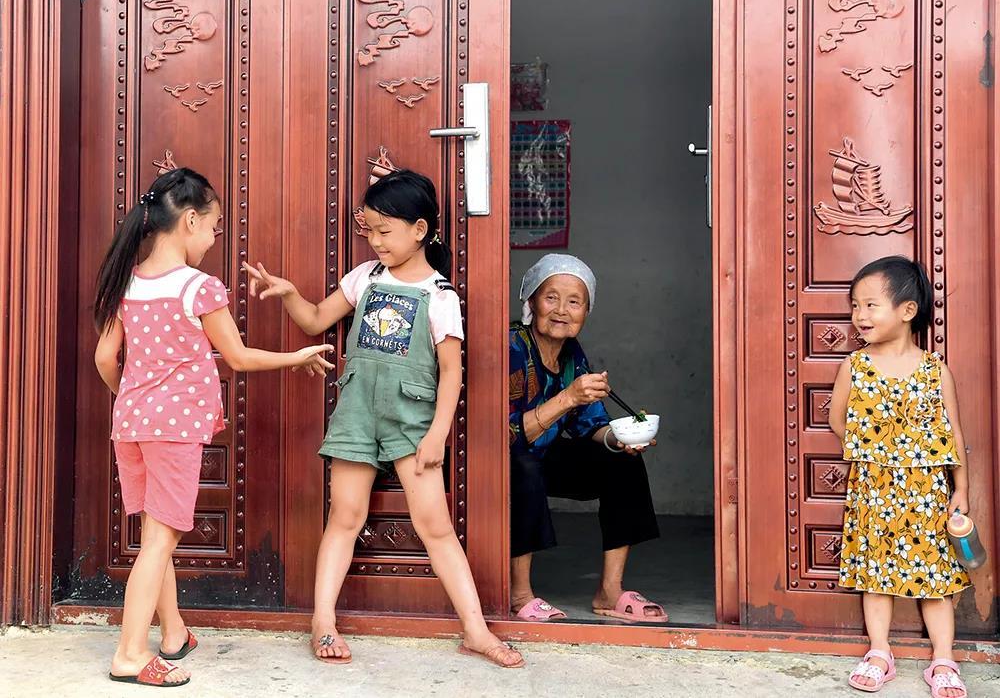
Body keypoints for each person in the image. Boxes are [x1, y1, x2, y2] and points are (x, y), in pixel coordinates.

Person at [243, 169, 524, 668]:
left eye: (384, 231)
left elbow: (452, 372)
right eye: (369, 230)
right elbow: (315, 319)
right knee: (344, 518)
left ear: (419, 230)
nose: (375, 241)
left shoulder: (441, 295)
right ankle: (323, 623)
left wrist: (437, 434)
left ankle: (476, 631)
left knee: (436, 526)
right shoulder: (365, 278)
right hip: (357, 414)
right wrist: (287, 293)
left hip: (412, 422)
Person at [94, 168, 334, 687]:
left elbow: (105, 358)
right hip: (174, 430)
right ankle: (130, 655)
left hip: (131, 424)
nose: (213, 238)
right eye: (213, 227)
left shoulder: (127, 282)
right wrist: (296, 356)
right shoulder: (199, 287)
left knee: (153, 534)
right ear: (189, 220)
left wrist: (132, 400)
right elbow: (239, 357)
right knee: (161, 539)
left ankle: (173, 632)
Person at [829, 256, 970, 697]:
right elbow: (837, 419)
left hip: (927, 493)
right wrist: (875, 450)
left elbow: (954, 433)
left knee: (936, 580)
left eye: (870, 305)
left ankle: (943, 659)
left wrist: (962, 489)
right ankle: (879, 653)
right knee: (874, 576)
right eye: (855, 306)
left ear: (908, 310)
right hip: (874, 489)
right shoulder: (855, 366)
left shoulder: (934, 370)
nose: (859, 315)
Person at [508, 254, 666, 623]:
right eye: (551, 298)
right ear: (531, 301)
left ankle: (610, 591)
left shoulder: (571, 354)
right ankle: (519, 593)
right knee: (523, 465)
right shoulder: (513, 347)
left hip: (543, 456)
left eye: (574, 302)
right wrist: (568, 397)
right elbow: (508, 434)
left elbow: (589, 422)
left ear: (586, 311)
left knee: (622, 462)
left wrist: (620, 438)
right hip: (502, 459)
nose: (562, 310)